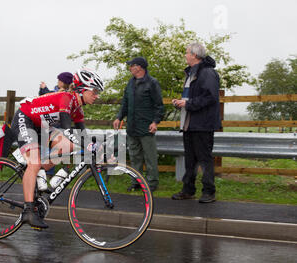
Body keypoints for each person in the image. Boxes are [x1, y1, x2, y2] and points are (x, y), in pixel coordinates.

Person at [12, 69, 104, 229]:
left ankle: (36, 174)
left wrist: (98, 148)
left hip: (41, 126)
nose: (97, 96)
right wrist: (87, 146)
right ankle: (28, 211)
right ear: (82, 89)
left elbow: (83, 135)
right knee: (33, 163)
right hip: (25, 118)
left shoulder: (78, 108)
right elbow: (68, 130)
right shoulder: (66, 98)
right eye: (94, 91)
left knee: (67, 147)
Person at [171, 42, 221, 203]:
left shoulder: (207, 73)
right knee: (190, 159)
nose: (185, 55)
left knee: (204, 159)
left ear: (194, 55)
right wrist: (181, 102)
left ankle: (209, 192)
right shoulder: (191, 73)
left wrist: (188, 104)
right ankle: (188, 190)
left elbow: (210, 97)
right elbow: (192, 98)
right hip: (189, 124)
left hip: (202, 124)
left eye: (187, 53)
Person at [113, 57, 165, 192]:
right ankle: (136, 182)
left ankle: (152, 184)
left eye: (132, 66)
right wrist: (119, 117)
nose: (130, 68)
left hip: (147, 127)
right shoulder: (130, 84)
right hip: (132, 127)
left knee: (150, 157)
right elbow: (125, 103)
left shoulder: (152, 83)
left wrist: (155, 122)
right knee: (135, 157)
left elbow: (159, 105)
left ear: (140, 67)